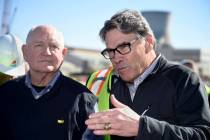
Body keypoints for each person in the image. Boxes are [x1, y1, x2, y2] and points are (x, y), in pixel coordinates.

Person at [85, 9, 210, 140]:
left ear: (148, 43)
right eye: (110, 51)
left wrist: (142, 127)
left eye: (123, 47)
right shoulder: (111, 82)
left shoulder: (183, 79)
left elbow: (202, 135)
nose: (116, 58)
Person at [0, 25, 97, 140]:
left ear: (63, 53)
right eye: (38, 45)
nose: (46, 52)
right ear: (25, 52)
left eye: (54, 46)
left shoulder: (83, 98)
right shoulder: (4, 93)